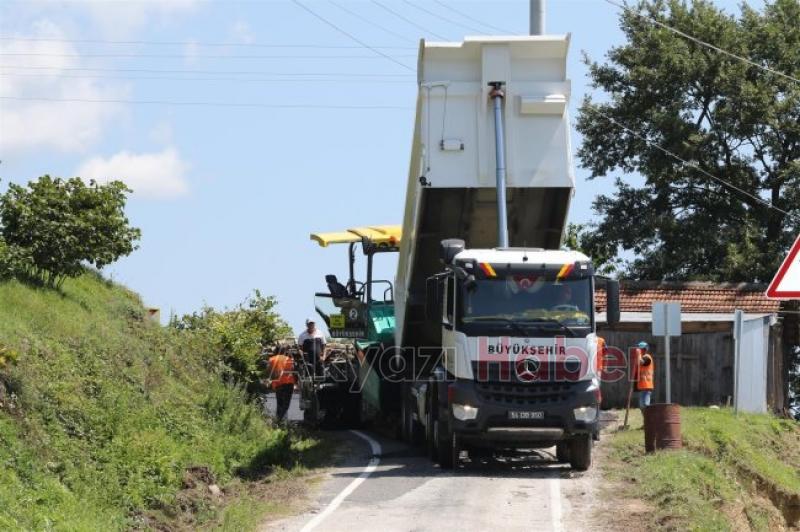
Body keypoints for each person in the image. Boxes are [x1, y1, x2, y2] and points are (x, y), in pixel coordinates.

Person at [268, 345, 296, 422]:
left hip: (277, 384)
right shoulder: (288, 359)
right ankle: (281, 420)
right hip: (288, 382)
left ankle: (279, 421)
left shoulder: (271, 359)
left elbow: (269, 371)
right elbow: (292, 370)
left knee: (279, 403)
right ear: (284, 351)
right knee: (286, 404)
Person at [636, 341, 655, 409]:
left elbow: (642, 362)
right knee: (642, 406)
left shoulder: (647, 357)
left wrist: (638, 355)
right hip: (642, 386)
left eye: (640, 349)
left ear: (645, 349)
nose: (639, 350)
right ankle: (647, 419)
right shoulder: (641, 357)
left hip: (647, 385)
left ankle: (649, 418)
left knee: (646, 405)